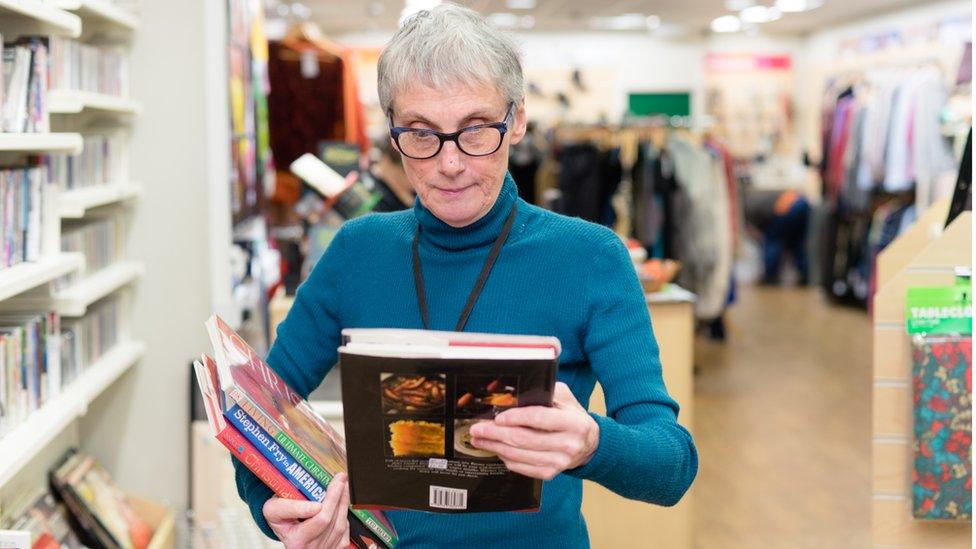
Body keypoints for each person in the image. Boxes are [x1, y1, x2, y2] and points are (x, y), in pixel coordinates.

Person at [234, 5, 697, 547]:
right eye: (421, 134)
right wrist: (275, 509)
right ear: (392, 131)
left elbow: (672, 465)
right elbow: (258, 417)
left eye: (477, 131)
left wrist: (593, 444)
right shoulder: (357, 251)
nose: (450, 164)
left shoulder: (590, 258)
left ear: (518, 119)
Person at [744, 188, 811, 285]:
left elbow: (761, 231)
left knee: (772, 240)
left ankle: (770, 277)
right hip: (802, 202)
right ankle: (804, 274)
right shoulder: (758, 198)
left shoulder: (749, 208)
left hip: (785, 206)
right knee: (797, 243)